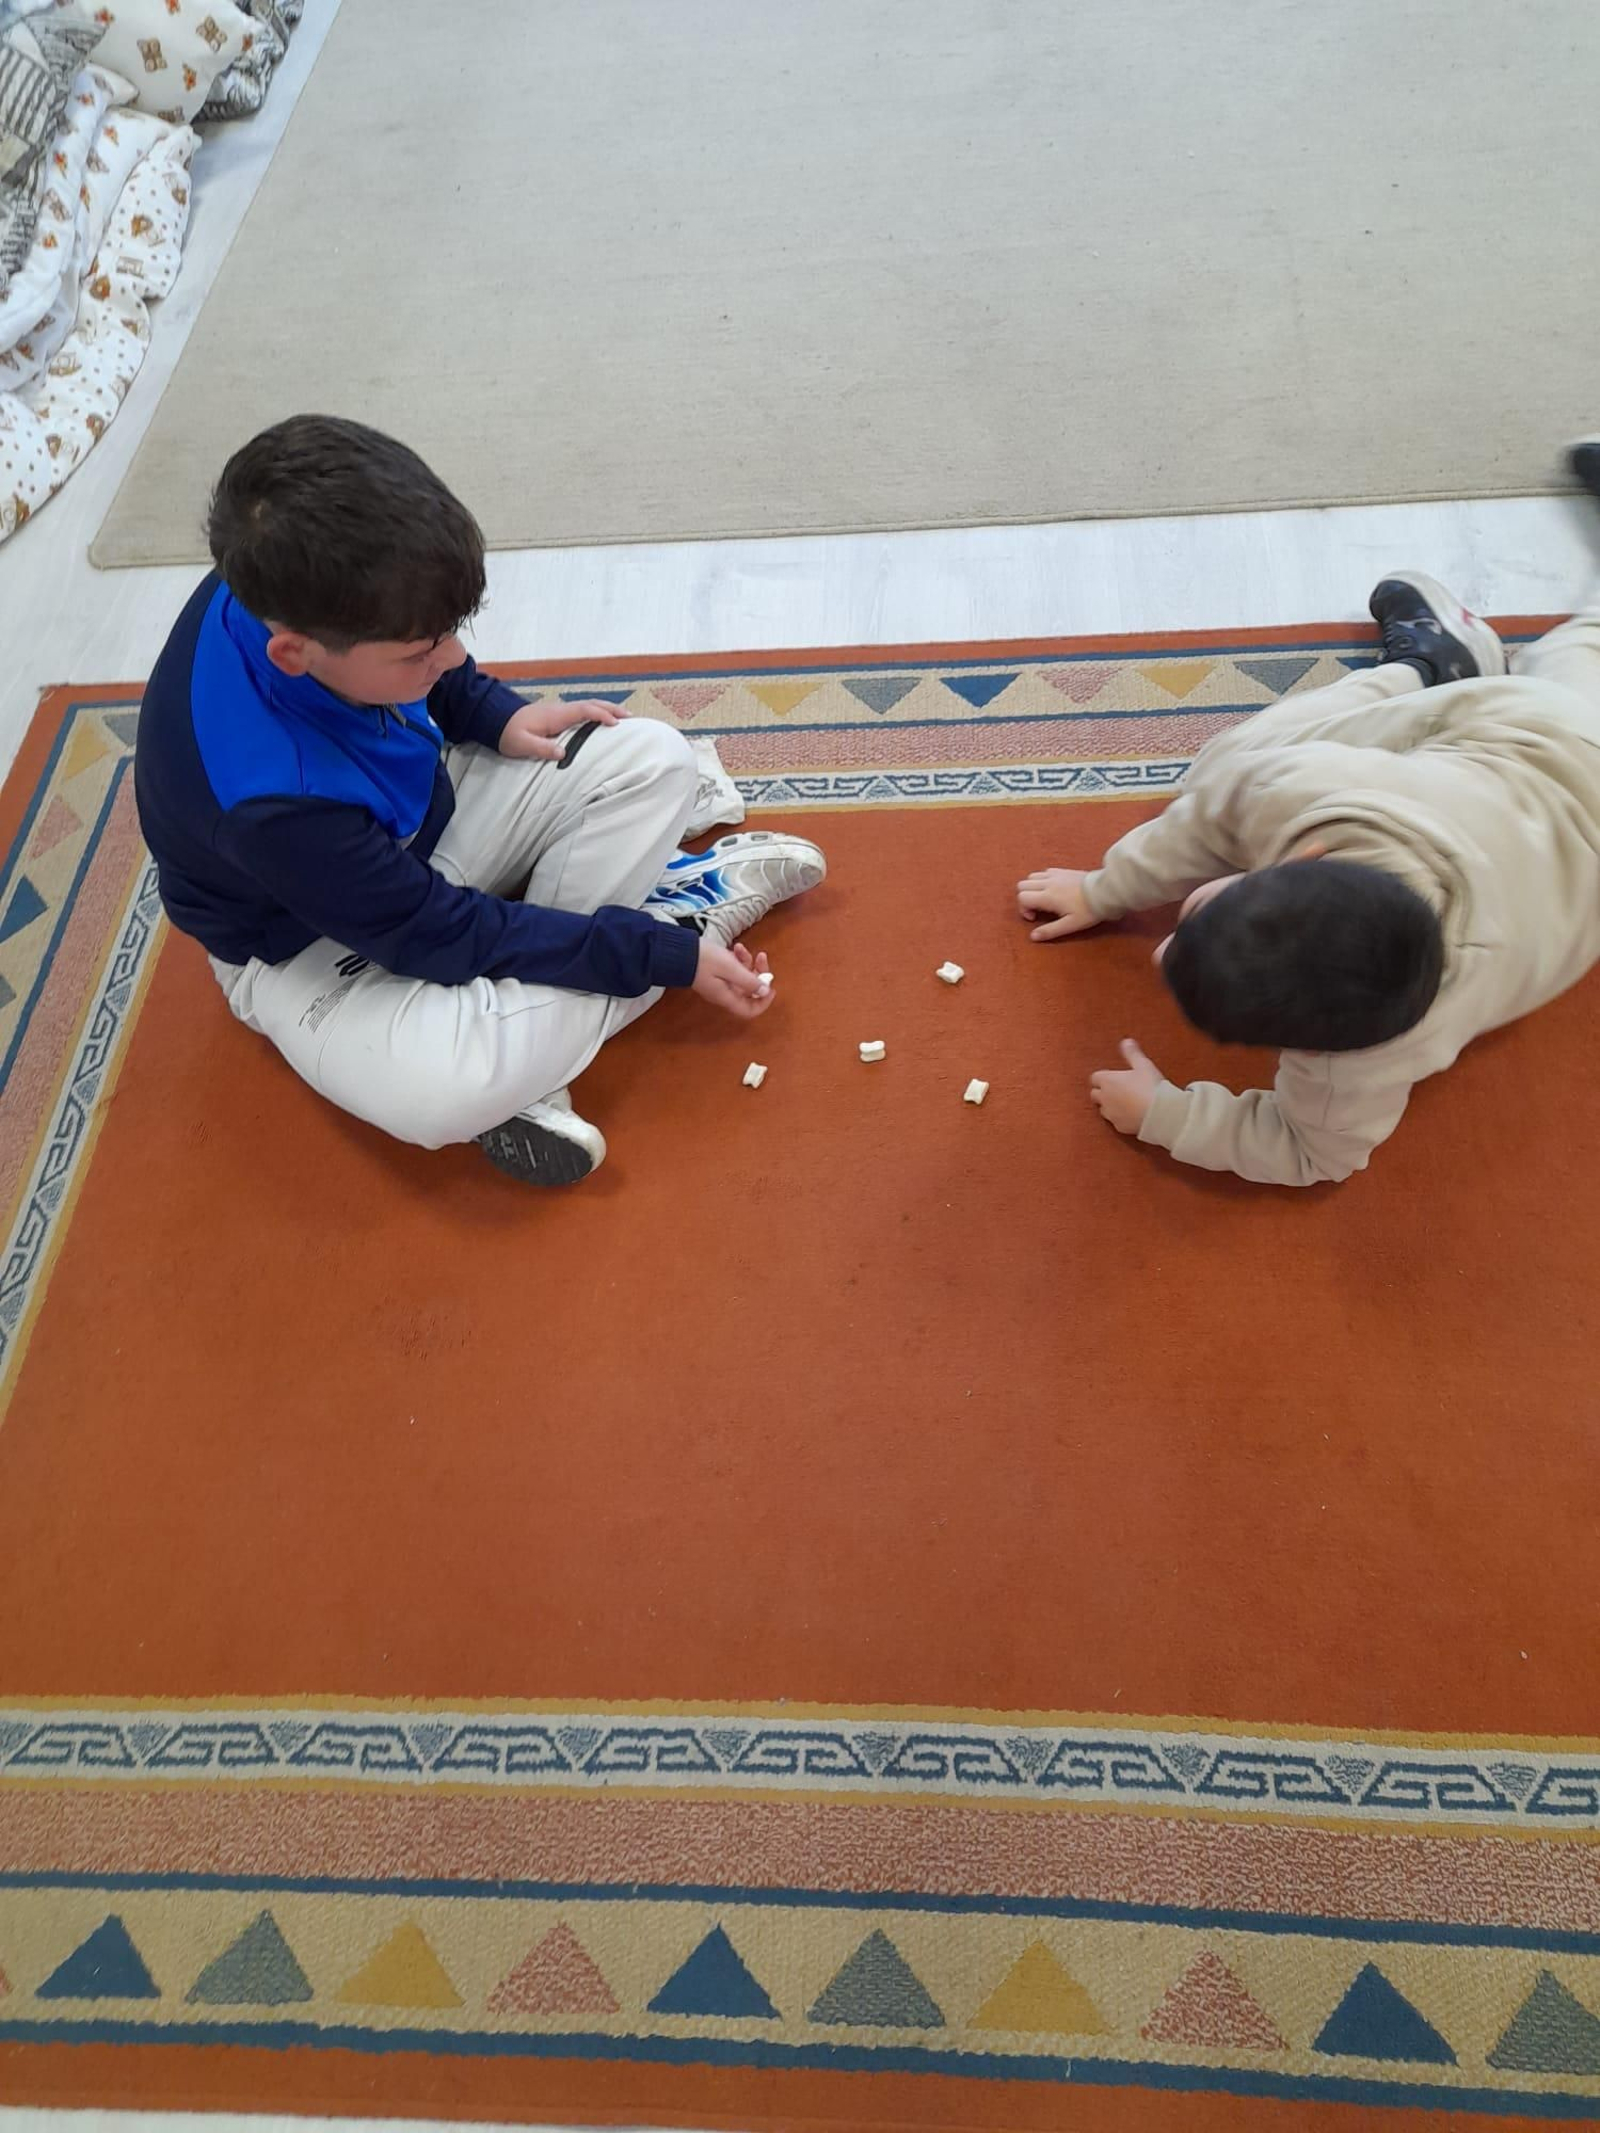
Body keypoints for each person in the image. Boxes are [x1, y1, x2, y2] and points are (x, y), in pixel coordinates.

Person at [134, 415, 825, 1185]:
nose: (453, 656)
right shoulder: (269, 802)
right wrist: (657, 954)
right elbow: (435, 934)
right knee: (442, 1093)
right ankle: (677, 919)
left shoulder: (275, 570)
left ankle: (542, 1042)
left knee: (657, 762)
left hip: (415, 835)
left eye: (451, 631)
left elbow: (427, 652)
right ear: (292, 653)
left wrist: (488, 710)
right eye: (422, 654)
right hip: (306, 949)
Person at [1018, 548, 1600, 1186]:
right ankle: (1436, 672)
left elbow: (1310, 1153)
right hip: (1535, 727)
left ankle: (1440, 665)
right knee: (1225, 774)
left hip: (1548, 740)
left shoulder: (1362, 1063)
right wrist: (1106, 888)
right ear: (1302, 858)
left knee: (1576, 653)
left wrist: (1168, 1117)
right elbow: (1204, 822)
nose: (1161, 953)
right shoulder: (1305, 789)